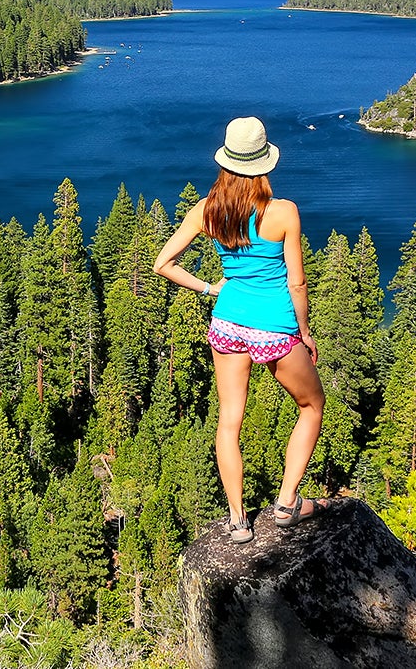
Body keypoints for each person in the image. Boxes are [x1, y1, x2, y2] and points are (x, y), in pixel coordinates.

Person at [153, 116, 328, 544]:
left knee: (229, 422)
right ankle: (287, 504)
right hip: (275, 327)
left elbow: (163, 265)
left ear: (227, 163)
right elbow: (297, 282)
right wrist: (304, 333)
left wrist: (211, 287)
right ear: (264, 165)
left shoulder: (208, 210)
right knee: (312, 406)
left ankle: (237, 522)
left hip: (228, 323)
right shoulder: (283, 212)